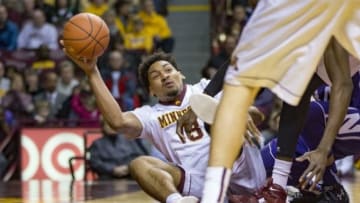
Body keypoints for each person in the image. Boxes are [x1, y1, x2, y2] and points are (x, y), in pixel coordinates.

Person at [196, 1, 360, 202]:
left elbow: (343, 85)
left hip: (348, 104)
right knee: (295, 100)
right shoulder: (278, 30)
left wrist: (324, 150)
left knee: (312, 113)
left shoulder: (327, 19)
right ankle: (284, 188)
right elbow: (239, 63)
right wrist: (202, 97)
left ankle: (320, 183)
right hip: (335, 101)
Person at [60, 48, 266, 203]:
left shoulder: (205, 88)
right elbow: (117, 122)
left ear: (181, 74)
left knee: (225, 118)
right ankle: (177, 202)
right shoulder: (151, 116)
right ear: (151, 91)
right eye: (156, 76)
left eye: (168, 70)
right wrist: (92, 71)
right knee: (138, 164)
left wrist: (238, 113)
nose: (165, 75)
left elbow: (257, 117)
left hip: (240, 168)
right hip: (197, 182)